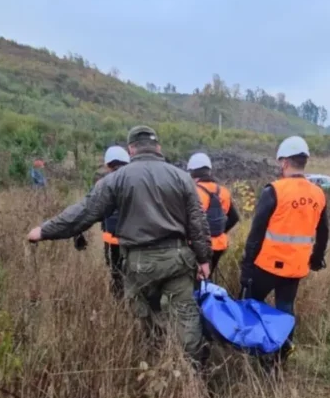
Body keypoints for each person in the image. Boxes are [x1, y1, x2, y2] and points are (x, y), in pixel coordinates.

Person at [26, 126, 213, 367]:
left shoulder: (116, 179)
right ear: (158, 148)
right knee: (186, 316)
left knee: (147, 316)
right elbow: (198, 223)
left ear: (131, 149)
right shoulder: (182, 177)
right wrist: (204, 259)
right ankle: (193, 369)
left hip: (138, 263)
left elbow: (84, 212)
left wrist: (44, 230)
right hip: (177, 259)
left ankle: (156, 362)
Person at [240, 136, 329, 370]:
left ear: (284, 163)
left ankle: (252, 353)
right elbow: (323, 233)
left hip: (266, 266)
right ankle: (280, 358)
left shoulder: (275, 190)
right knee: (285, 311)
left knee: (250, 304)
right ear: (304, 162)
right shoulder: (318, 194)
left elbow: (256, 233)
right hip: (296, 268)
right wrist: (316, 259)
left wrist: (247, 267)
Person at [73, 145, 131, 299]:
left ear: (107, 164)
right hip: (136, 240)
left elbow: (87, 210)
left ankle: (119, 307)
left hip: (112, 241)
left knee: (116, 274)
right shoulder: (136, 181)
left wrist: (77, 232)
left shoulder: (103, 184)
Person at [186, 152, 239, 279]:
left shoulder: (193, 191)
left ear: (192, 173)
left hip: (198, 246)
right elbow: (234, 217)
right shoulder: (223, 191)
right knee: (207, 278)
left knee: (195, 281)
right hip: (219, 245)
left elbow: (188, 222)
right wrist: (219, 231)